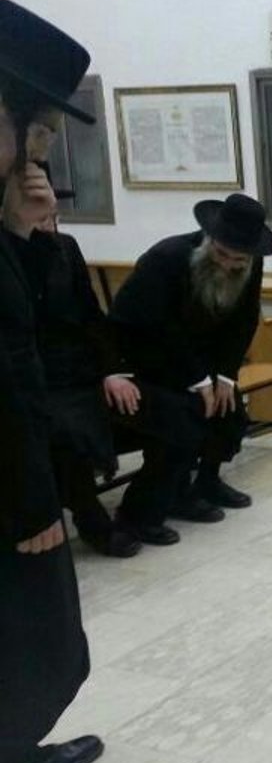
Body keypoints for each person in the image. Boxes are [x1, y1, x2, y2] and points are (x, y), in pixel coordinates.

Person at [1, 0, 105, 763]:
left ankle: (15, 751)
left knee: (47, 644)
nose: (38, 153)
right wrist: (30, 498)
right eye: (32, 131)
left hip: (18, 465)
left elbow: (30, 329)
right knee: (21, 644)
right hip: (6, 485)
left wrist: (29, 236)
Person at [108, 194, 272, 545]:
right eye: (222, 254)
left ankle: (205, 483)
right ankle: (138, 513)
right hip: (144, 360)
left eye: (238, 260)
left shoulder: (250, 263)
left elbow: (244, 319)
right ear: (209, 239)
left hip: (199, 358)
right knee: (182, 420)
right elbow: (158, 327)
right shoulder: (167, 258)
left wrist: (226, 376)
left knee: (230, 412)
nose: (228, 264)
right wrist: (198, 379)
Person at [28, 200, 141, 558]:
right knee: (64, 433)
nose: (49, 226)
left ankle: (150, 502)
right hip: (31, 373)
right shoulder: (9, 257)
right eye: (40, 219)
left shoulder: (66, 247)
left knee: (147, 403)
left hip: (78, 367)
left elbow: (91, 313)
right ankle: (91, 519)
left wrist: (111, 370)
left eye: (53, 217)